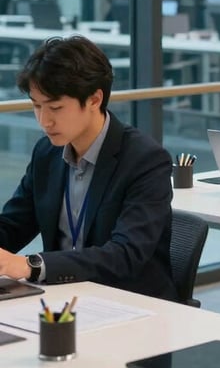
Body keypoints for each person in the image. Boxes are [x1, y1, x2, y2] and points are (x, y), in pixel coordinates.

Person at [0, 36, 175, 299]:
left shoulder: (145, 159)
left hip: (129, 301)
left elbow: (126, 254)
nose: (44, 121)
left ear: (94, 100)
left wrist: (31, 265)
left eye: (56, 108)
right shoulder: (46, 152)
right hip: (62, 298)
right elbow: (14, 224)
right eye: (36, 106)